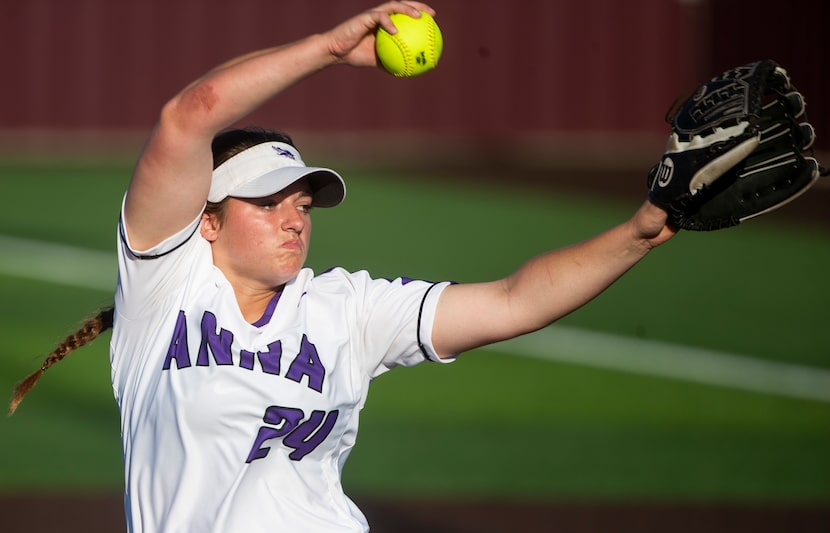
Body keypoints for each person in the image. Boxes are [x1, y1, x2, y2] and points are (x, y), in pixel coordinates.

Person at [9, 2, 676, 531]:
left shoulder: (345, 309)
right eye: (268, 202)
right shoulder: (165, 290)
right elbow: (191, 116)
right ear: (206, 219)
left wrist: (638, 233)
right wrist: (329, 49)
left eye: (302, 201)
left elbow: (511, 301)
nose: (295, 217)